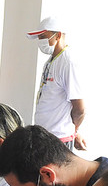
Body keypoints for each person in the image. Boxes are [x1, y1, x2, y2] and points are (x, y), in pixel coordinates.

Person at [27, 16, 86, 151]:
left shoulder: (68, 63)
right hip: (43, 136)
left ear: (58, 35)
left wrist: (73, 131)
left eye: (43, 36)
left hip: (58, 139)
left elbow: (80, 109)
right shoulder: (51, 61)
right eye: (39, 38)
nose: (40, 41)